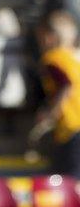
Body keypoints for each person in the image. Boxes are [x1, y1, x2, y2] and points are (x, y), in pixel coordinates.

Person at [33, 10, 80, 178]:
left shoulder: (52, 59)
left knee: (71, 177)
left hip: (71, 126)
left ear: (49, 37)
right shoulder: (72, 57)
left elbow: (66, 85)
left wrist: (50, 113)